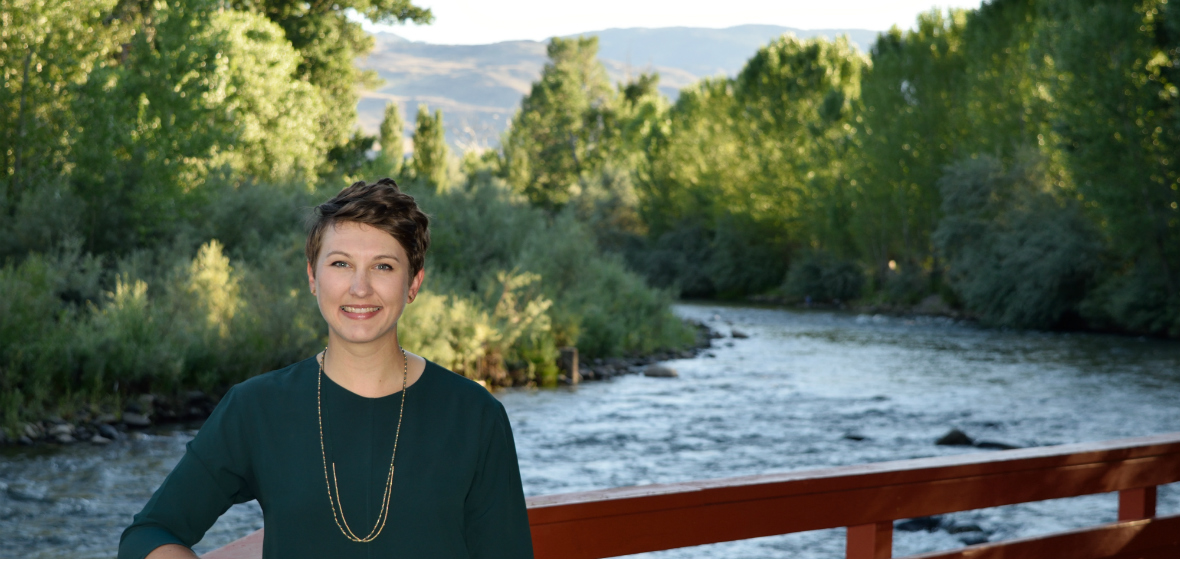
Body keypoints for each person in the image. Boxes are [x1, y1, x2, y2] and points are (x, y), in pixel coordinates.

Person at [119, 179, 534, 558]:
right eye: (340, 264)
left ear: (413, 284)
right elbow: (149, 535)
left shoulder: (475, 415)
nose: (360, 287)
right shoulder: (256, 408)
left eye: (383, 266)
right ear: (312, 277)